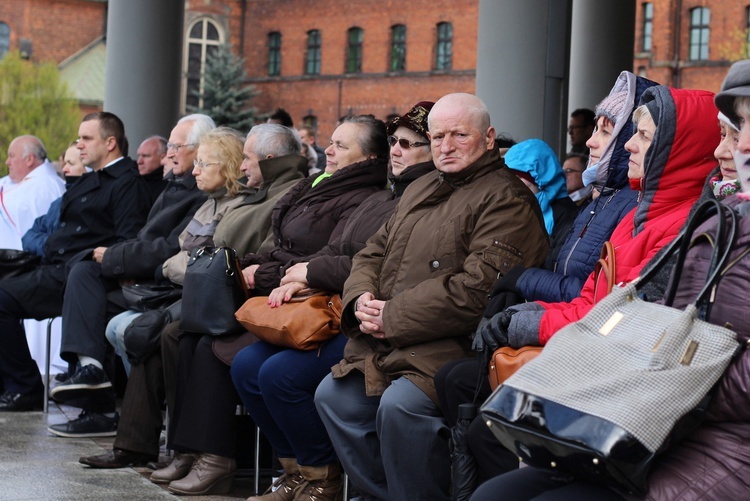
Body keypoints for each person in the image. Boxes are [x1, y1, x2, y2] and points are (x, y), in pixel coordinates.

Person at [314, 93, 550, 501]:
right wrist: (360, 301)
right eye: (438, 135)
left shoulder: (507, 198)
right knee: (333, 398)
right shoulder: (422, 185)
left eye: (460, 135)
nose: (446, 145)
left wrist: (393, 315)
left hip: (455, 348)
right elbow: (372, 252)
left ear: (489, 138)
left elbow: (478, 290)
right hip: (388, 342)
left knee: (401, 409)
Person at [144, 115, 389, 497]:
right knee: (209, 347)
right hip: (286, 294)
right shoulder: (319, 185)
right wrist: (258, 266)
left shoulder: (365, 197)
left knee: (244, 361)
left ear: (370, 156)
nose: (329, 149)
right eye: (332, 141)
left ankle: (309, 473)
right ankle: (278, 466)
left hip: (321, 308)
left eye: (342, 145)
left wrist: (278, 275)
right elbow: (287, 246)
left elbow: (330, 257)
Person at [231, 102, 436, 501]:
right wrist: (304, 276)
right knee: (246, 366)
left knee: (279, 375)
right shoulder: (380, 199)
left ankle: (322, 475)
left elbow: (380, 267)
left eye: (410, 144)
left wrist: (312, 273)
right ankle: (295, 470)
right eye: (395, 141)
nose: (398, 150)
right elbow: (339, 251)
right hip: (335, 305)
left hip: (362, 318)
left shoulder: (402, 198)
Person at [78, 123, 307, 470]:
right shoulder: (213, 203)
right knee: (146, 330)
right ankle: (146, 445)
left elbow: (212, 257)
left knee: (161, 334)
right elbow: (184, 254)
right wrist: (180, 265)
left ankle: (186, 450)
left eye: (205, 163)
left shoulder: (250, 201)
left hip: (223, 296)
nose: (195, 170)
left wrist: (181, 266)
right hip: (195, 291)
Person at [475, 84, 719, 360]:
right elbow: (591, 297)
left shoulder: (682, 225)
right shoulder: (634, 216)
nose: (628, 144)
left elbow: (621, 316)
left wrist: (532, 319)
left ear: (676, 150)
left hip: (603, 359)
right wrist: (530, 313)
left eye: (643, 136)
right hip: (587, 343)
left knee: (459, 379)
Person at [44, 116, 214, 436]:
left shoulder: (198, 194)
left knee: (94, 292)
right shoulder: (176, 186)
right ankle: (93, 379)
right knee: (85, 279)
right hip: (146, 278)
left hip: (165, 286)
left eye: (176, 147)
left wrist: (114, 258)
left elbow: (168, 248)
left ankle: (105, 402)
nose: (168, 154)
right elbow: (147, 238)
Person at [0, 112, 150, 412]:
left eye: (86, 138)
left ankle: (25, 387)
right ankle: (17, 383)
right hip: (56, 267)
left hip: (84, 275)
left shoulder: (126, 182)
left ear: (110, 143)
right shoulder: (89, 181)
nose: (79, 145)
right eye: (79, 137)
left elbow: (127, 241)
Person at [21, 143, 88, 257]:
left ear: (89, 167)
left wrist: (48, 244)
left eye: (70, 163)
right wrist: (48, 244)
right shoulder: (57, 203)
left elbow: (68, 246)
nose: (64, 169)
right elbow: (28, 236)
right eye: (65, 163)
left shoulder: (91, 203)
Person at [0, 135, 65, 250]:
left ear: (29, 159)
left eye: (11, 156)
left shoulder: (49, 186)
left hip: (22, 261)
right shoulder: (9, 181)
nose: (7, 162)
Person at [136, 135, 168, 205]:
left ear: (163, 158)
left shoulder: (170, 186)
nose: (139, 161)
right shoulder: (132, 181)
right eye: (139, 156)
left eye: (145, 156)